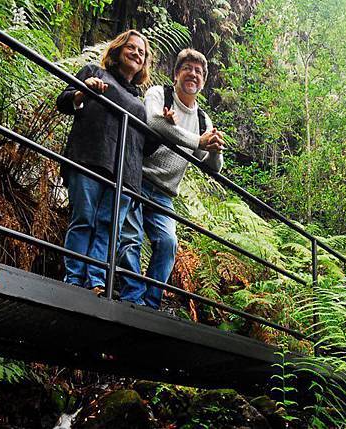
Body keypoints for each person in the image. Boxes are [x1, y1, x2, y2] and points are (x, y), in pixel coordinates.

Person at [119, 48, 225, 309]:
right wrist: (198, 141)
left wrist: (215, 151)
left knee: (168, 243)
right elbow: (155, 123)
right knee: (130, 238)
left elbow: (211, 166)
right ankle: (132, 297)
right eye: (188, 68)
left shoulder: (202, 119)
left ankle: (150, 303)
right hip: (136, 178)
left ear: (203, 82)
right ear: (177, 73)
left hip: (164, 193)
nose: (193, 74)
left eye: (199, 72)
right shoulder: (159, 94)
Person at [56, 29, 155, 292]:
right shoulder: (94, 72)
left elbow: (146, 145)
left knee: (109, 227)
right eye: (131, 48)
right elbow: (64, 101)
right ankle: (75, 279)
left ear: (144, 63)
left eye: (141, 52)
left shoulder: (140, 102)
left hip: (125, 173)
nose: (136, 53)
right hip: (90, 157)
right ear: (118, 50)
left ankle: (96, 281)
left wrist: (166, 125)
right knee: (84, 218)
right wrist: (83, 93)